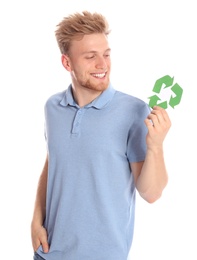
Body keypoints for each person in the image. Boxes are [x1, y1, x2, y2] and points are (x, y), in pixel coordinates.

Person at [31, 11, 171, 260]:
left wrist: (156, 146)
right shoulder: (52, 108)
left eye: (106, 54)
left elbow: (151, 193)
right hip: (48, 254)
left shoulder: (133, 111)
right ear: (67, 63)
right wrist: (36, 220)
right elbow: (53, 162)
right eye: (90, 57)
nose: (103, 65)